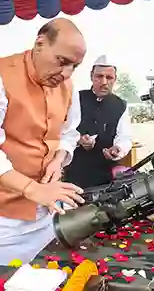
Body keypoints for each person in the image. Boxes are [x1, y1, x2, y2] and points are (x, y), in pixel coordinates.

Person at [0, 18, 86, 265]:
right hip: (4, 221)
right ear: (40, 44)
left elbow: (70, 132)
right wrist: (32, 189)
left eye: (75, 66)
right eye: (62, 62)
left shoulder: (68, 86)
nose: (67, 74)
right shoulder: (3, 76)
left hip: (47, 216)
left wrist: (58, 160)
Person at [64, 55, 133, 189]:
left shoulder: (121, 105)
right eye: (99, 76)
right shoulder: (76, 98)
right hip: (76, 173)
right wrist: (79, 140)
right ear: (91, 76)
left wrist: (118, 149)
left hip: (106, 176)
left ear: (115, 79)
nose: (104, 82)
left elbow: (125, 137)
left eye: (109, 78)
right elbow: (62, 130)